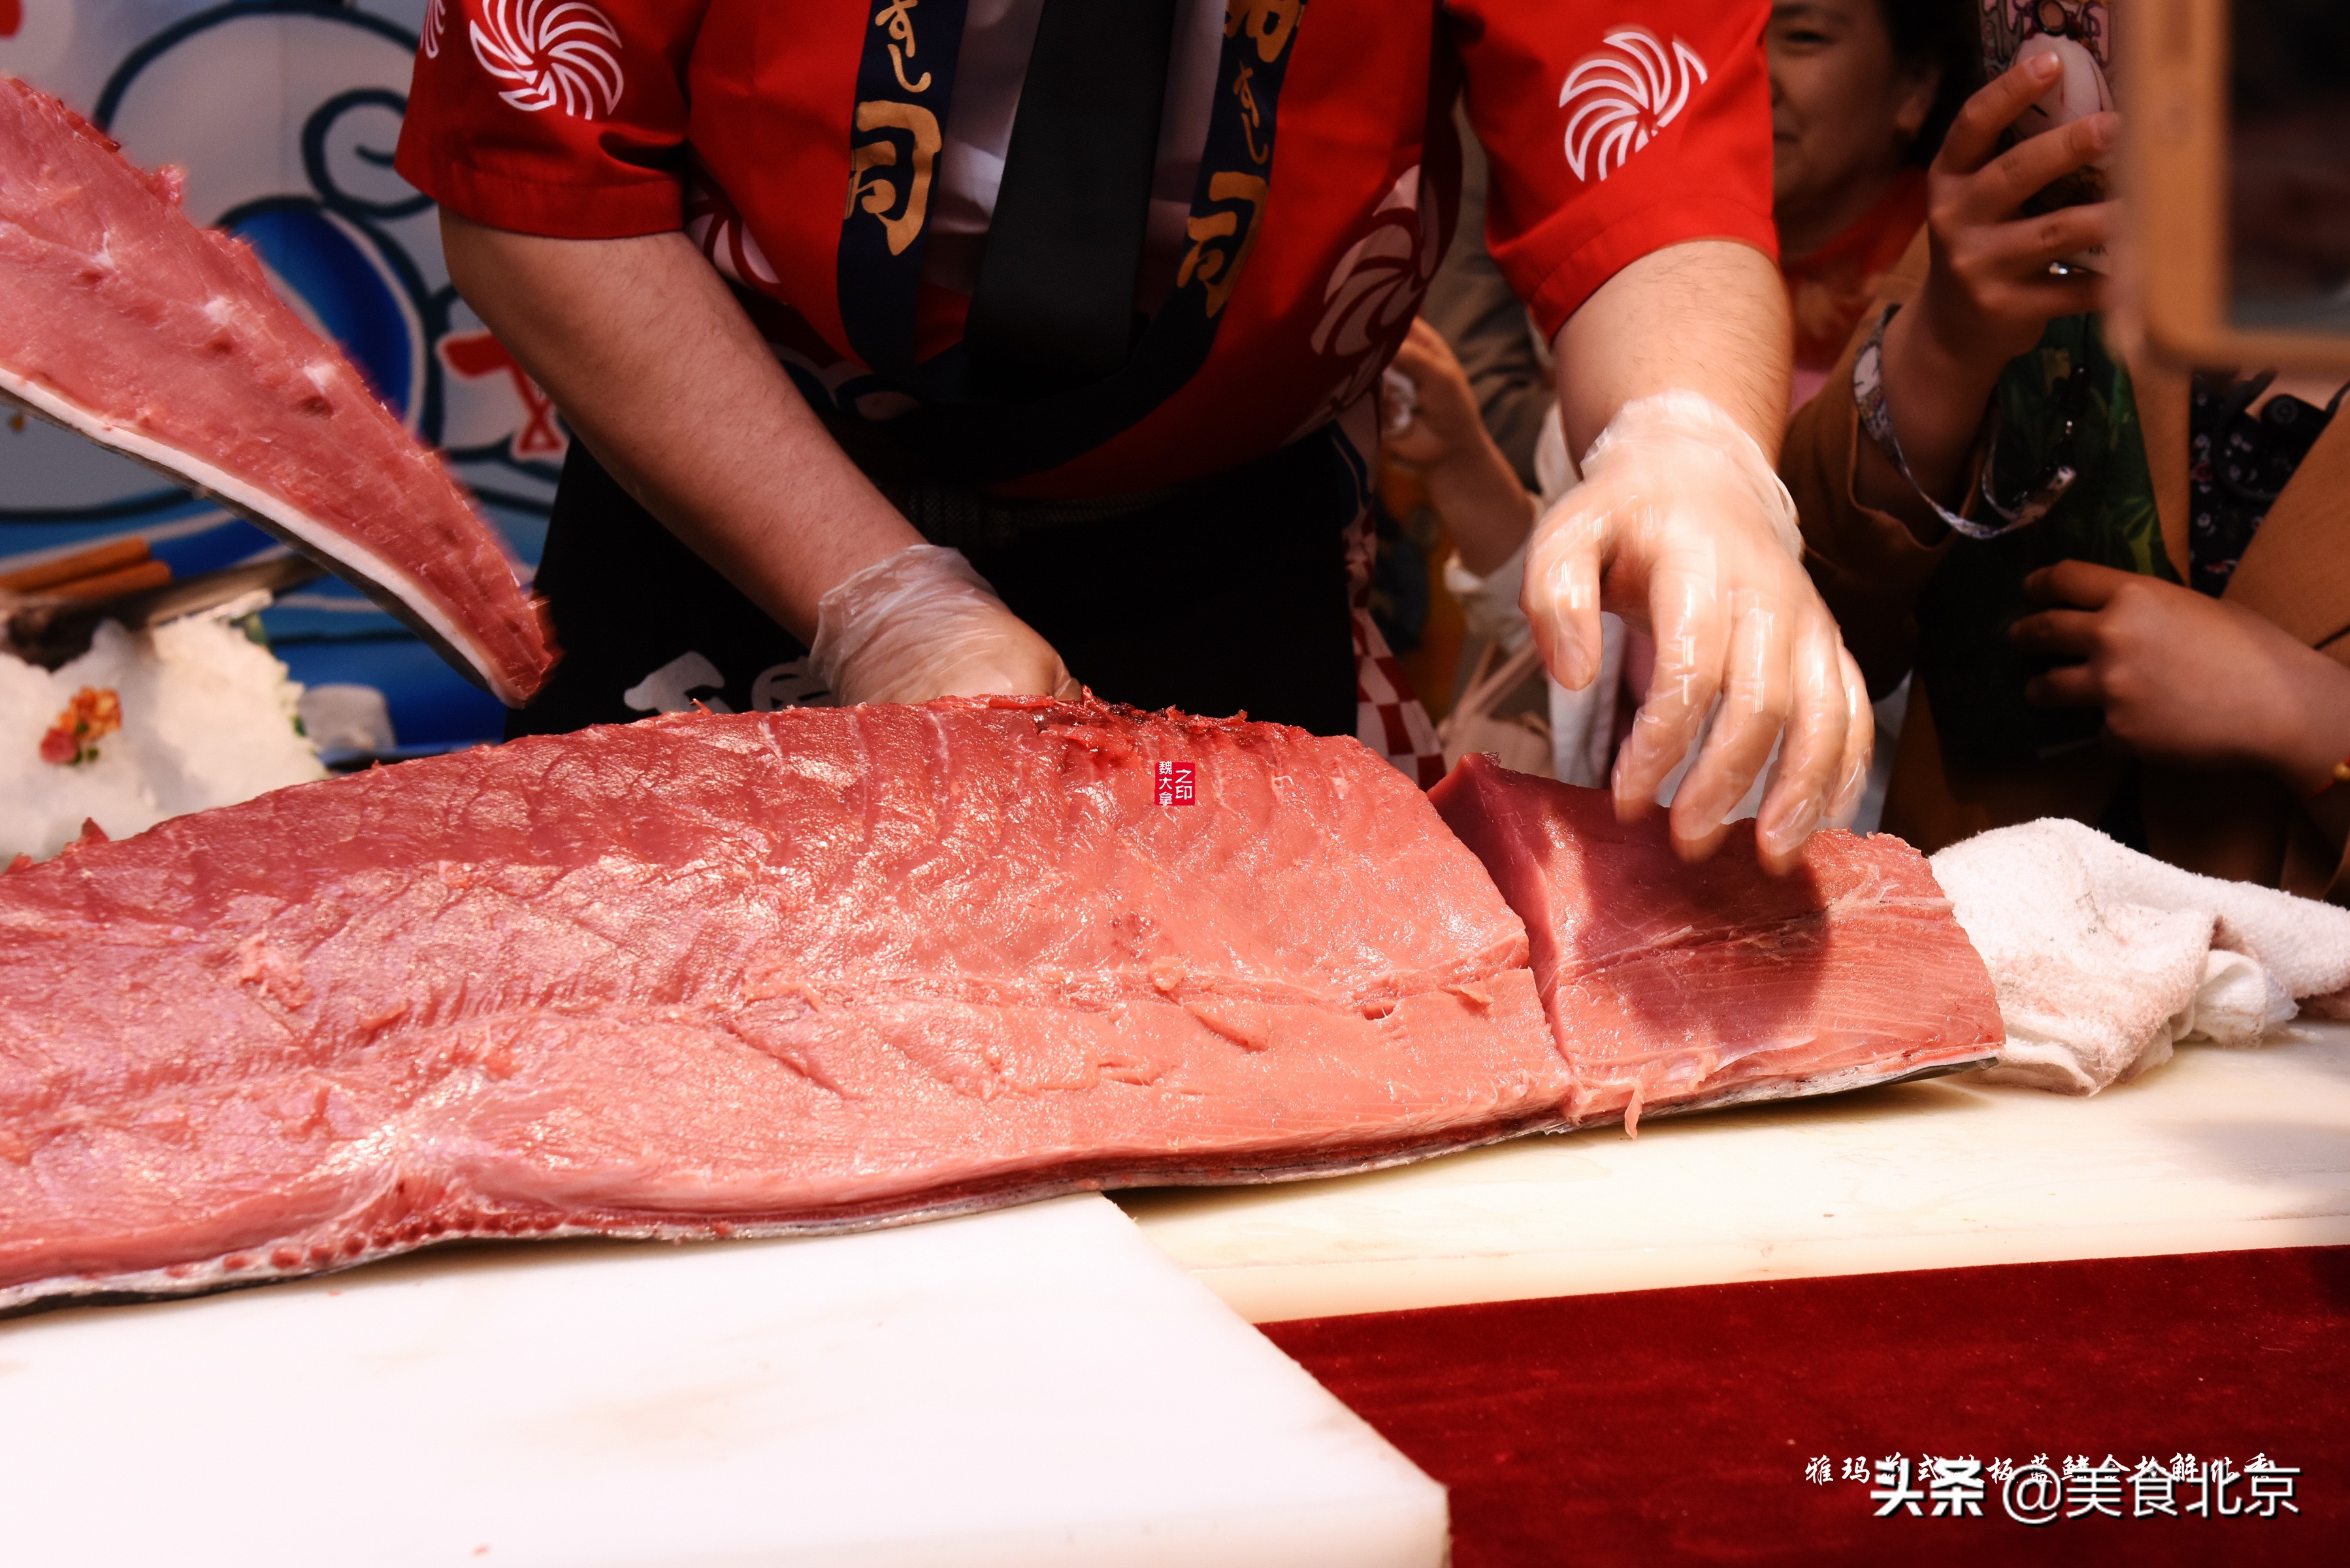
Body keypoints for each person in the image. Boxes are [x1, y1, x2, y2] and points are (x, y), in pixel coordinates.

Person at [396, 1, 1871, 868]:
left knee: (1263, 1097)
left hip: (1222, 557)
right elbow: (540, 175)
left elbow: (1641, 159)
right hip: (737, 513)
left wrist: (1687, 441)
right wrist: (879, 598)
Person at [1780, 48, 2350, 898]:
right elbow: (1804, 628)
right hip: (1982, 983)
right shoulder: (2046, 199)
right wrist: (1945, 344)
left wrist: (2308, 720)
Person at [1768, 0, 1975, 407]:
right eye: (1731, 42)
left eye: (1802, 36)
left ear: (1915, 87)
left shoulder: (1963, 281)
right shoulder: (1640, 279)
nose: (1747, 73)